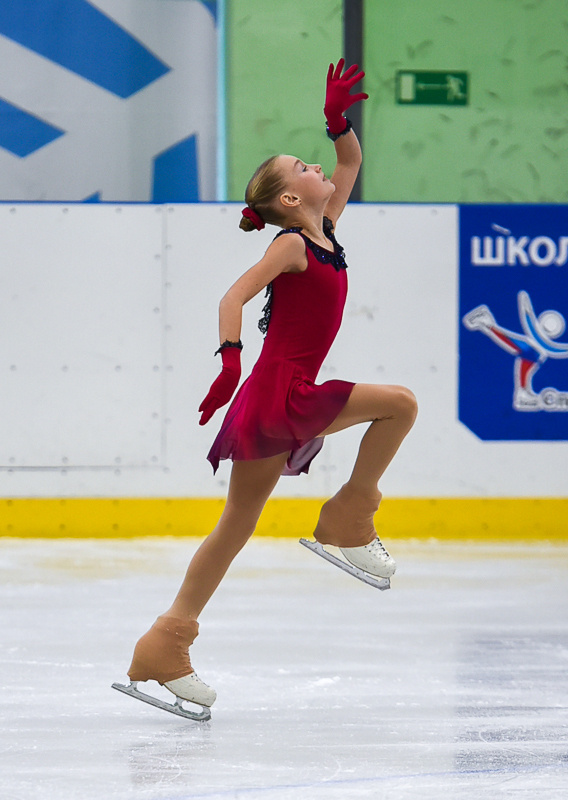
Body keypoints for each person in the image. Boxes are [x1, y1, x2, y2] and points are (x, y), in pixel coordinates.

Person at [125, 60, 418, 712]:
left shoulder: (326, 231)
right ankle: (346, 518)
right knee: (395, 407)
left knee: (240, 520)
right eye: (304, 168)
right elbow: (234, 294)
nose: (319, 170)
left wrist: (337, 120)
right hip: (276, 393)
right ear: (289, 200)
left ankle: (166, 643)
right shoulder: (291, 245)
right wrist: (230, 361)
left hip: (290, 393)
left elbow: (348, 166)